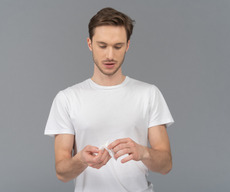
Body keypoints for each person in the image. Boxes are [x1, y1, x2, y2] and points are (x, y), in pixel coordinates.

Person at [44, 7, 174, 192]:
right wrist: (81, 160)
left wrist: (143, 152)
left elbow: (165, 165)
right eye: (102, 46)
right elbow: (62, 173)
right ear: (90, 44)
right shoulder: (67, 98)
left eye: (118, 46)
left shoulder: (148, 94)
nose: (110, 55)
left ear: (128, 45)